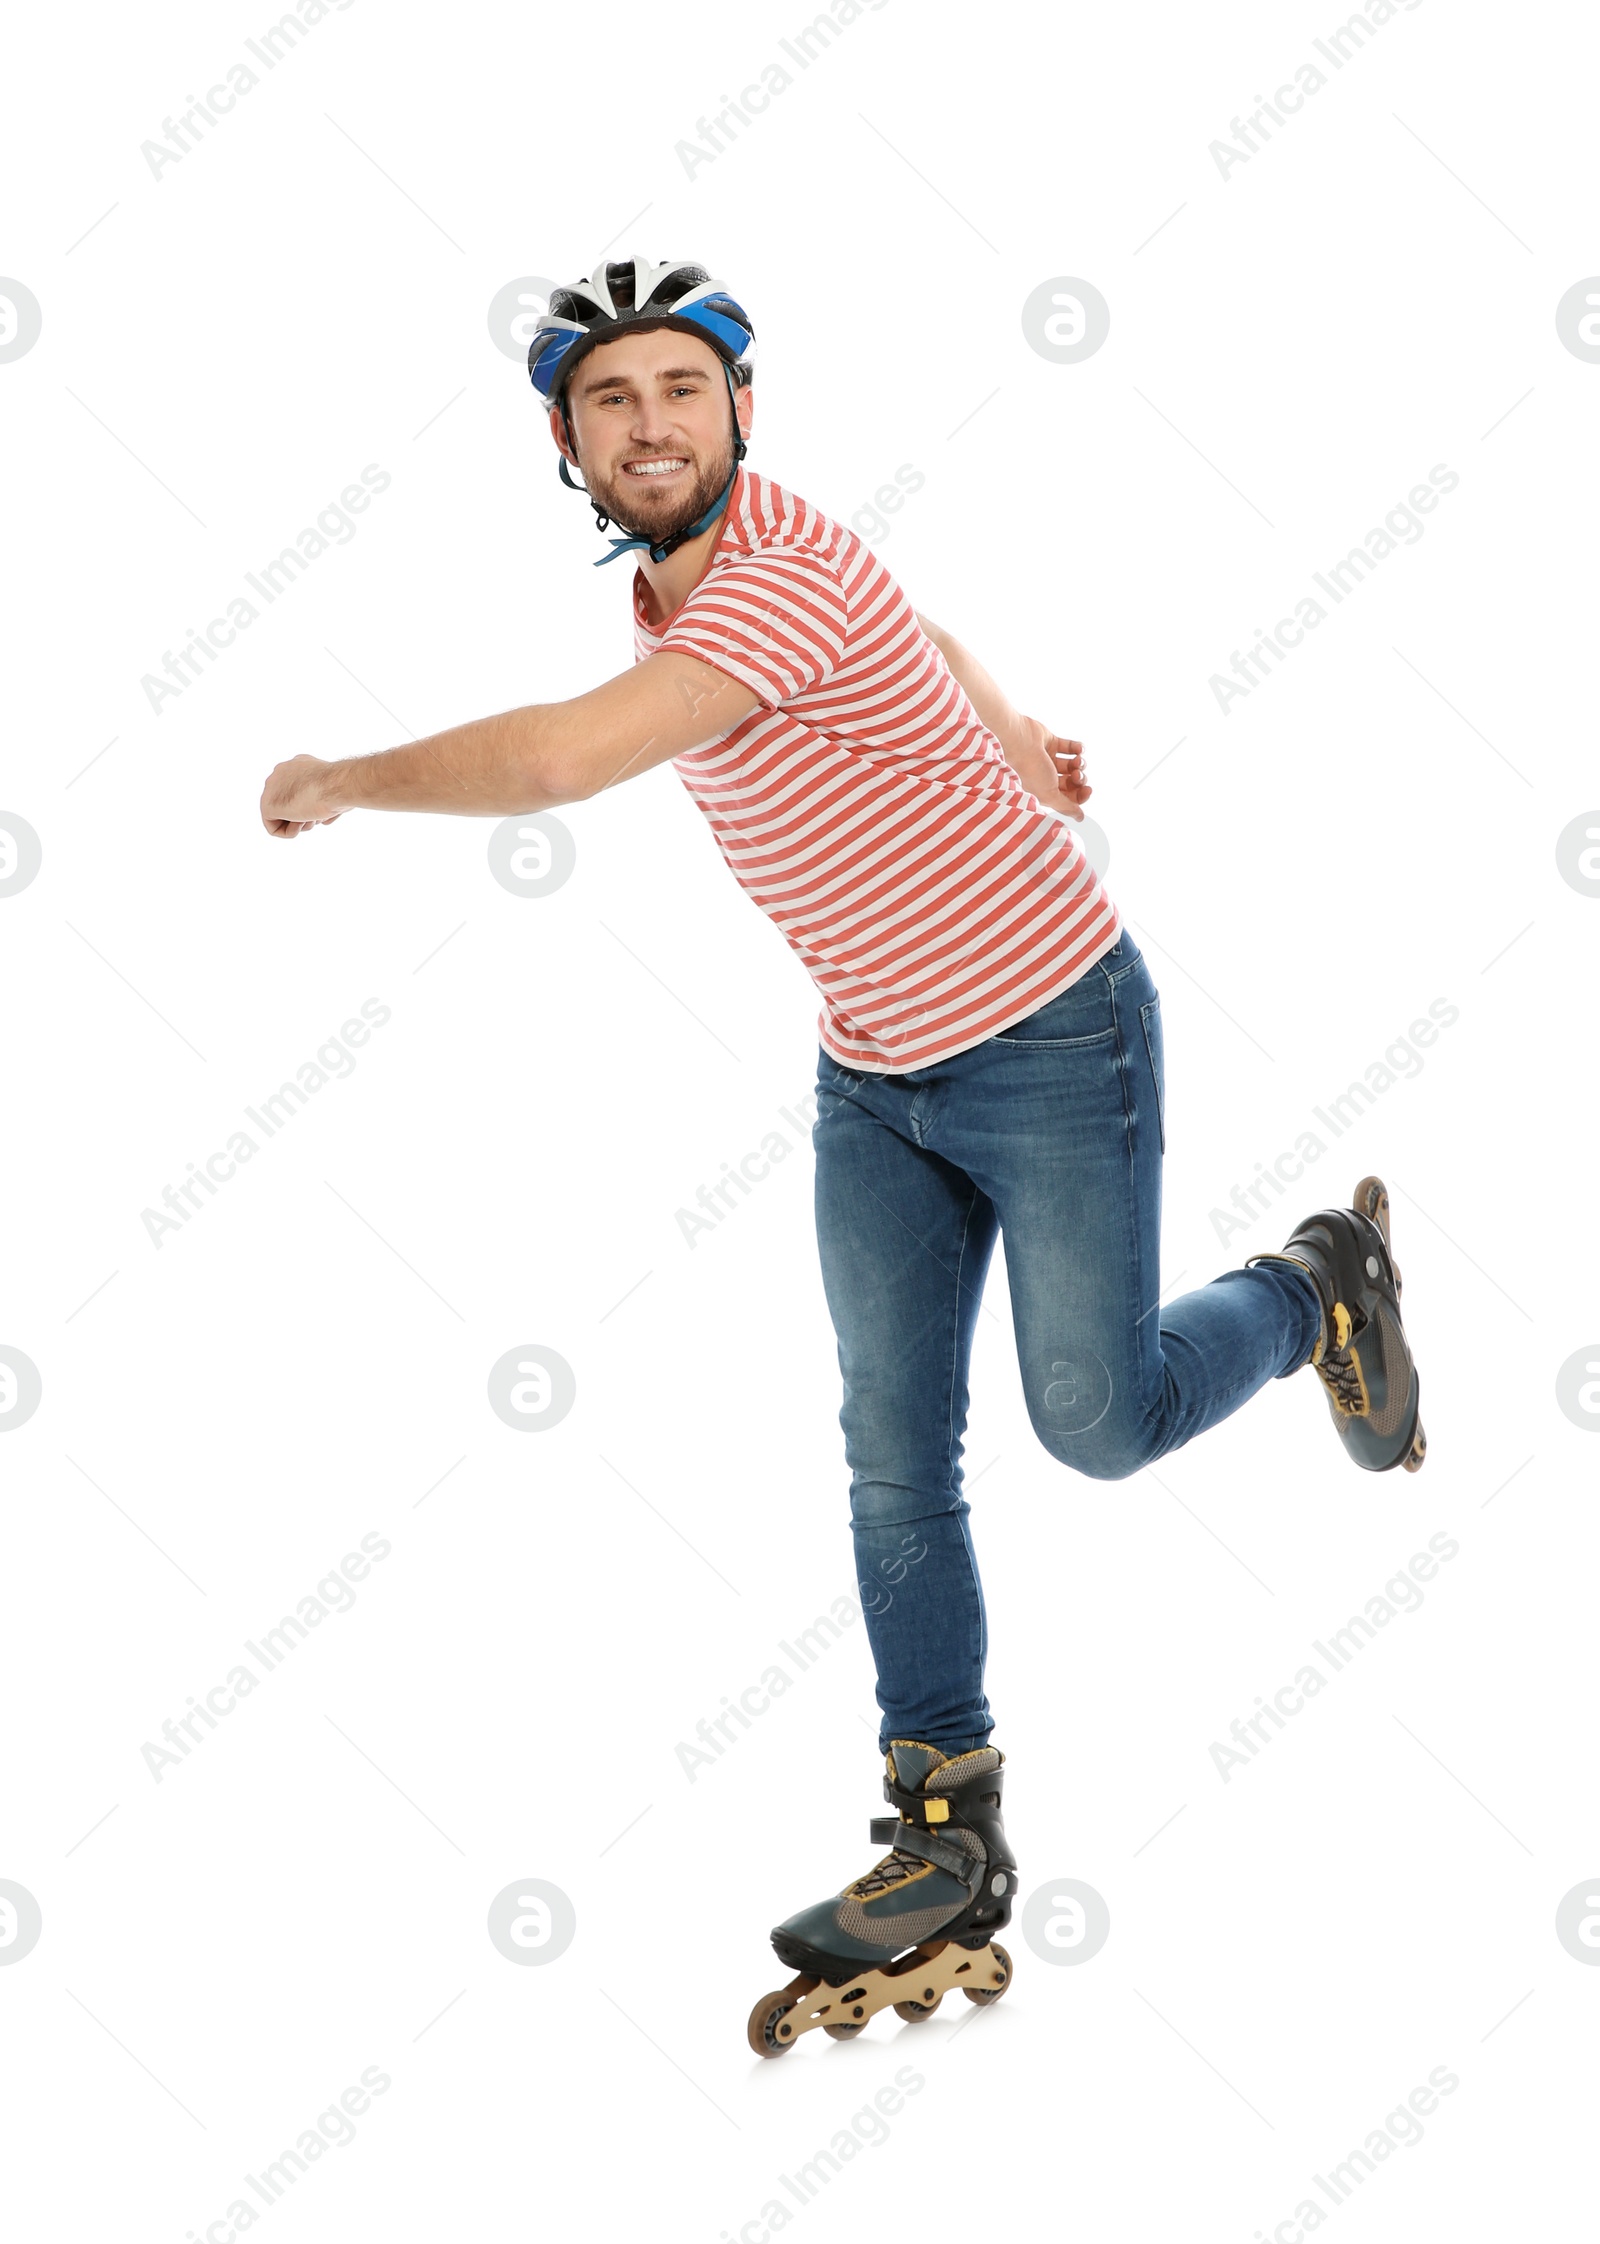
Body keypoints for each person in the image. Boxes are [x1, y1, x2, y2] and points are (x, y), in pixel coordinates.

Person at [259, 255, 1426, 2054]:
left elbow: (569, 758)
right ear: (564, 443)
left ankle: (1311, 1286)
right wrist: (1010, 732)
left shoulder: (769, 585)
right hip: (874, 1075)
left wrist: (341, 772)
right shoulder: (709, 569)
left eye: (681, 391)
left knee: (1096, 1423)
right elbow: (927, 629)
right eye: (610, 401)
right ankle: (942, 1823)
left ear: (743, 408)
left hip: (1049, 1037)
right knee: (894, 1451)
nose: (651, 426)